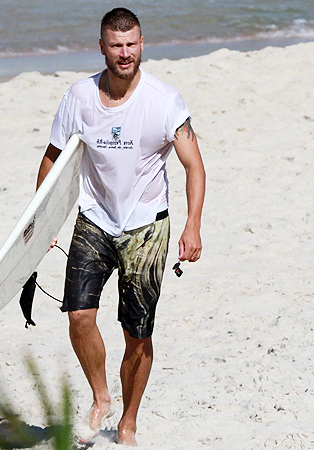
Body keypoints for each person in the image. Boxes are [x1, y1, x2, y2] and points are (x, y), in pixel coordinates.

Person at [36, 7, 205, 446]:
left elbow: (194, 166)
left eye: (131, 45)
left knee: (137, 335)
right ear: (102, 48)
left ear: (142, 44)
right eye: (116, 46)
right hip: (94, 219)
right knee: (78, 316)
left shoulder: (164, 101)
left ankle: (128, 421)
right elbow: (53, 158)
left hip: (147, 229)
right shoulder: (79, 97)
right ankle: (100, 397)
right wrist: (44, 218)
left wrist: (193, 226)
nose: (125, 54)